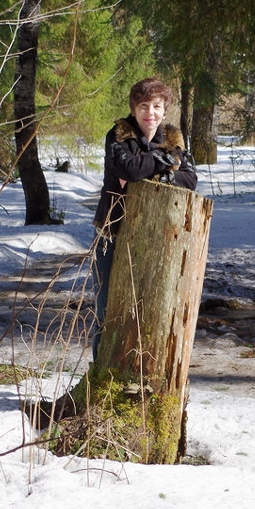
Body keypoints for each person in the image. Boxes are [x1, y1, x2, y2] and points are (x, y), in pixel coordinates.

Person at [89, 77, 197, 360]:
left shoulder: (174, 139)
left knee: (148, 307)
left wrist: (168, 171)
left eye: (157, 106)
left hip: (156, 236)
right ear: (134, 109)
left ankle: (139, 365)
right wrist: (162, 162)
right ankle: (101, 369)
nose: (150, 112)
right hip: (113, 231)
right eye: (144, 106)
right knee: (108, 305)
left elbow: (190, 179)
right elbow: (131, 169)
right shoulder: (119, 135)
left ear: (165, 111)